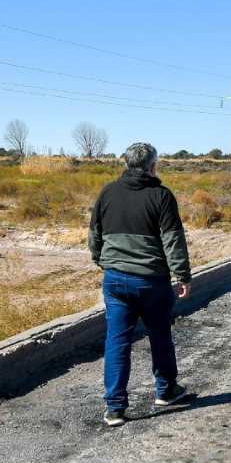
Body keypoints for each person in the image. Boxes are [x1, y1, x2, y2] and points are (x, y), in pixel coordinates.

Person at [88, 142, 192, 427]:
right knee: (159, 335)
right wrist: (182, 275)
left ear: (126, 164)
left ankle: (115, 408)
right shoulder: (161, 195)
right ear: (152, 166)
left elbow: (94, 235)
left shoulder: (107, 193)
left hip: (115, 278)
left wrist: (104, 262)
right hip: (151, 281)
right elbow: (173, 240)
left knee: (117, 339)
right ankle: (166, 390)